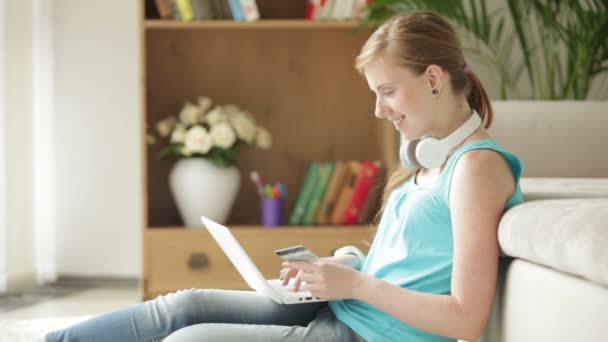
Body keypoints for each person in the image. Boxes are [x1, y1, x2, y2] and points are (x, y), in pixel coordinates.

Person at [45, 11, 524, 342]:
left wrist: (354, 285)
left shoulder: (476, 168)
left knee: (188, 337)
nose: (380, 110)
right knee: (181, 306)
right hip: (346, 308)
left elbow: (466, 317)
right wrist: (342, 266)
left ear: (435, 79)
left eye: (388, 91)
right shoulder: (430, 159)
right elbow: (408, 265)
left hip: (362, 333)